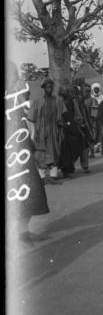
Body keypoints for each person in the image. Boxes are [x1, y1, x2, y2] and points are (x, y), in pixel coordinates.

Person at [5, 62, 50, 243]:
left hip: (21, 149)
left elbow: (28, 120)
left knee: (29, 190)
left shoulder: (18, 101)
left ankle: (22, 232)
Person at [27, 77, 65, 185]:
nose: (50, 88)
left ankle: (53, 176)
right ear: (43, 88)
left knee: (54, 152)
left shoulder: (58, 100)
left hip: (53, 131)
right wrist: (35, 133)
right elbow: (31, 119)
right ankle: (42, 177)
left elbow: (62, 116)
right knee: (41, 154)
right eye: (47, 87)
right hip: (41, 131)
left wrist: (61, 130)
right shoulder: (37, 102)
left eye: (51, 86)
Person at [58, 86, 86, 179]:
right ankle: (66, 170)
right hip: (63, 128)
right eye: (66, 92)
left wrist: (76, 122)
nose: (69, 93)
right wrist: (63, 123)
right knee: (65, 150)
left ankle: (70, 167)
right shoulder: (59, 102)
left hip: (71, 126)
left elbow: (75, 114)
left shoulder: (71, 102)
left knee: (76, 145)